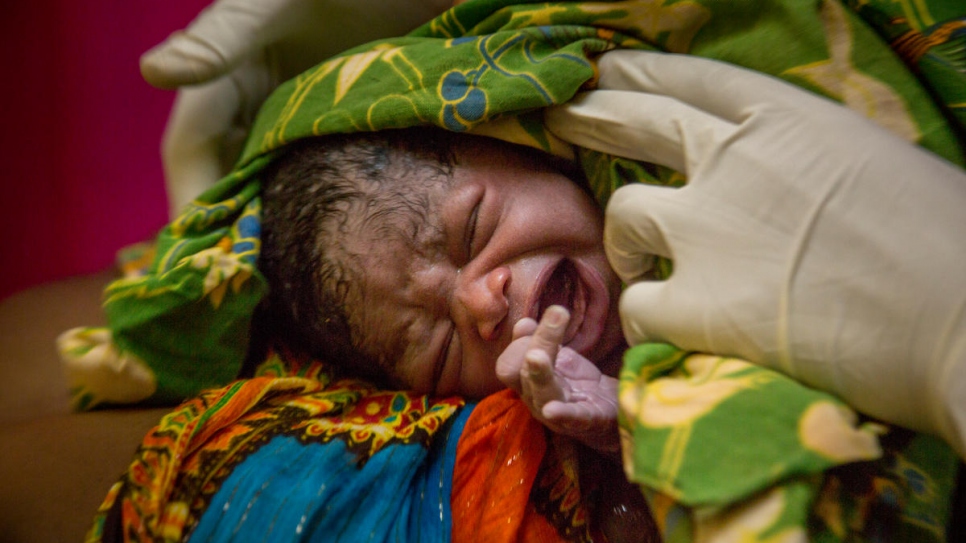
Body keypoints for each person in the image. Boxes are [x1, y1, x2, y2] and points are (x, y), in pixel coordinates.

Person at [258, 126, 626, 454]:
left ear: (528, 148)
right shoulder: (584, 439)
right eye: (444, 352)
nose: (484, 306)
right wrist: (631, 428)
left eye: (474, 231)